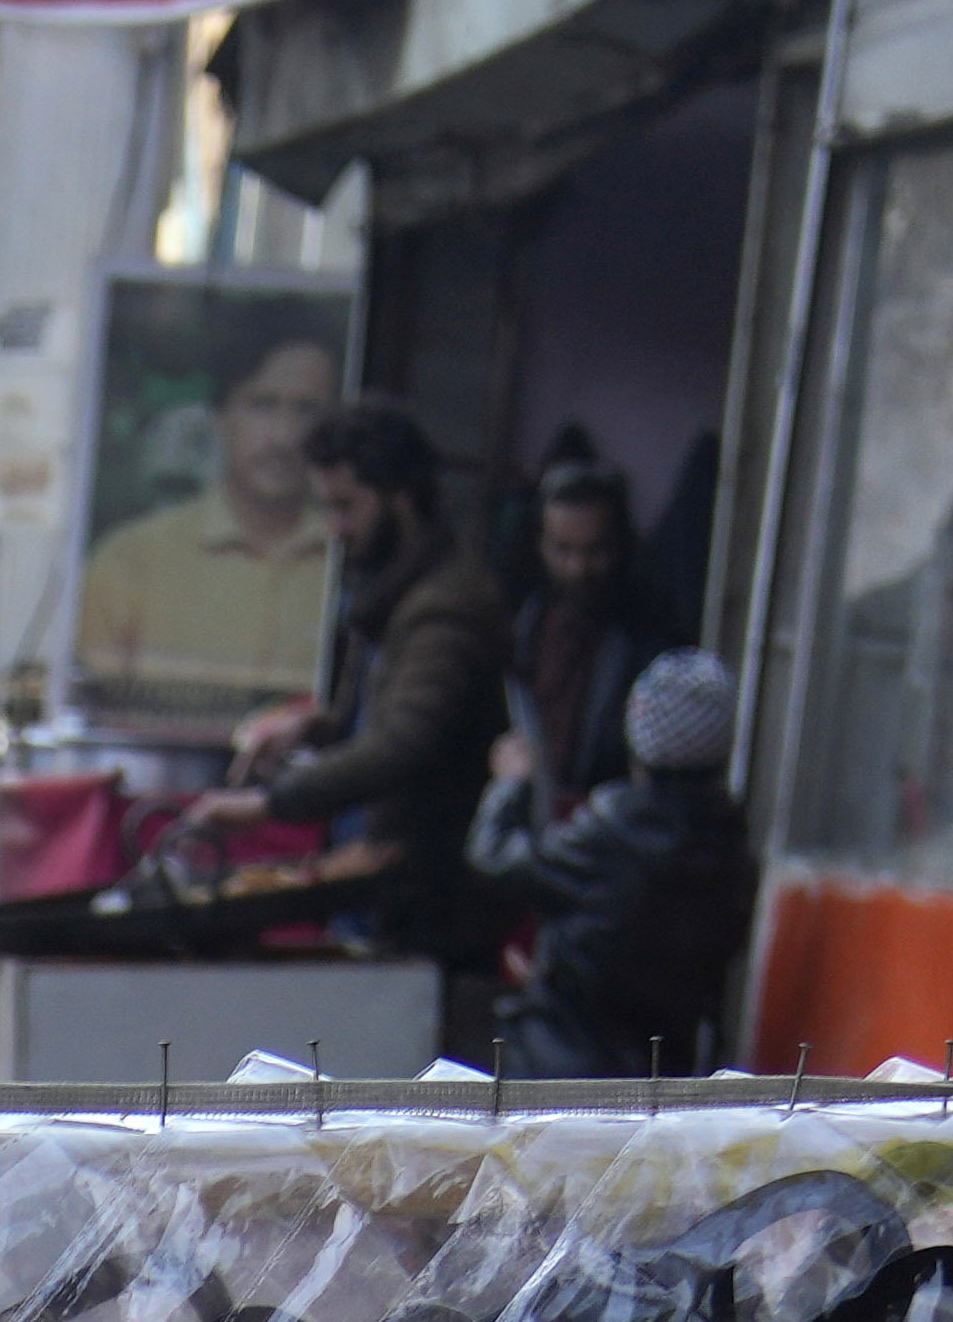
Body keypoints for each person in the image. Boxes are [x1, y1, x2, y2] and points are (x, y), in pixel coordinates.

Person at [242, 397, 510, 940]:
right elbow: (367, 717)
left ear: (401, 497)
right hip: (365, 885)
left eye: (347, 507)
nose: (336, 529)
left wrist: (270, 803)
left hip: (420, 906)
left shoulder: (446, 605)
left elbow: (409, 740)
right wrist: (313, 728)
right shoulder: (391, 591)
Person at [73, 316, 350, 730]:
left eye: (306, 411)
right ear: (221, 417)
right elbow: (91, 709)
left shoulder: (348, 560)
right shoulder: (131, 559)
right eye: (262, 405)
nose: (283, 436)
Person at [495, 642, 755, 1081]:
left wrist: (509, 785)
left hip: (562, 1069)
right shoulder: (732, 847)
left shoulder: (607, 831)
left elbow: (496, 859)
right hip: (666, 1076)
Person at [501, 447, 663, 813]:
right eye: (563, 550)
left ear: (621, 546)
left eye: (595, 551)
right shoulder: (526, 626)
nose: (578, 569)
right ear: (541, 546)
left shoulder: (648, 642)